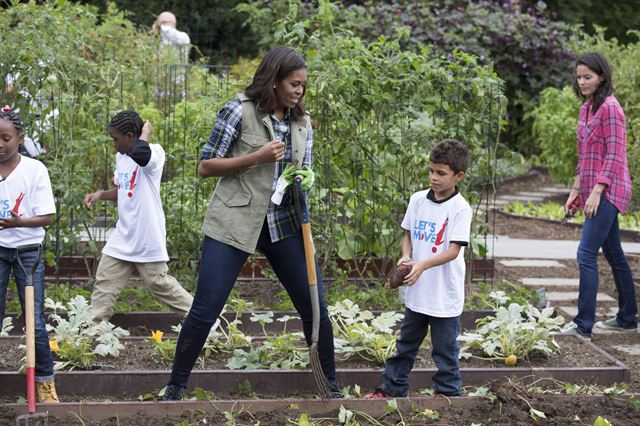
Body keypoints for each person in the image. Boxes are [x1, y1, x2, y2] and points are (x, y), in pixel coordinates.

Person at [160, 46, 339, 400]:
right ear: (273, 80)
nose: (299, 91)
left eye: (303, 85)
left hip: (283, 224)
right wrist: (255, 157)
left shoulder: (301, 122)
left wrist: (304, 177)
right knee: (206, 308)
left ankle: (330, 386)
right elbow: (206, 166)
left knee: (315, 306)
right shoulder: (238, 111)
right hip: (235, 220)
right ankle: (176, 386)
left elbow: (306, 167)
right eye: (293, 83)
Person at [366, 139, 472, 398]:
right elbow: (408, 234)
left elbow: (454, 250)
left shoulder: (460, 208)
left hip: (444, 295)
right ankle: (393, 389)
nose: (433, 178)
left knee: (445, 350)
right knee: (405, 345)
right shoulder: (417, 200)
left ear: (458, 176)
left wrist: (423, 264)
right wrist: (406, 256)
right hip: (418, 292)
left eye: (441, 173)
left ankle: (448, 396)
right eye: (431, 171)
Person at [84, 110, 193, 322]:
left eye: (116, 139)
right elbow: (123, 189)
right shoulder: (121, 157)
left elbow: (142, 155)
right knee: (105, 280)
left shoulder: (154, 153)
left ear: (131, 137)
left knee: (158, 283)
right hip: (124, 234)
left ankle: (205, 321)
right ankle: (94, 330)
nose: (114, 144)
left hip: (147, 234)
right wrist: (100, 195)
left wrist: (145, 134)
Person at [558, 52, 638, 339]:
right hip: (592, 188)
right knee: (614, 253)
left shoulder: (611, 109)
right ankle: (628, 318)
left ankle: (583, 325)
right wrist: (575, 191)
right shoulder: (587, 109)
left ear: (601, 77)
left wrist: (596, 192)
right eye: (579, 77)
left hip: (610, 189)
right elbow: (585, 156)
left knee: (586, 254)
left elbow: (615, 156)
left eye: (587, 77)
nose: (582, 82)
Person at [0, 106, 58, 403]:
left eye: (6, 138)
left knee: (34, 321)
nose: (0, 144)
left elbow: (47, 216)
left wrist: (19, 222)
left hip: (27, 251)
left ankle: (45, 383)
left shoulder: (35, 170)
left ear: (20, 138)